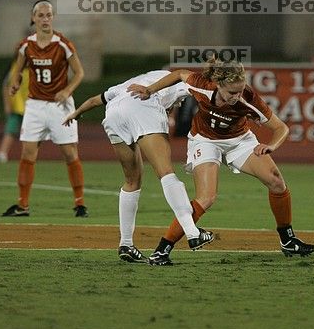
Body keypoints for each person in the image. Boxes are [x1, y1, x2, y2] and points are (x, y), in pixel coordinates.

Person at [128, 58, 314, 265]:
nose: (237, 96)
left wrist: (271, 145)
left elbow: (281, 128)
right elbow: (179, 73)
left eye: (240, 90)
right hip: (205, 140)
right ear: (218, 85)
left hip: (239, 141)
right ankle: (162, 250)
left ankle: (288, 240)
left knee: (276, 182)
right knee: (207, 197)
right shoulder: (202, 85)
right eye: (232, 92)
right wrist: (150, 89)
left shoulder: (248, 98)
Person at [63, 70, 215, 262]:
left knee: (132, 180)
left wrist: (75, 113)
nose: (175, 106)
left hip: (114, 113)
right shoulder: (178, 81)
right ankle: (192, 233)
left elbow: (94, 101)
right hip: (143, 105)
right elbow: (207, 93)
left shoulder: (125, 84)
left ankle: (126, 244)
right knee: (166, 173)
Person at [2, 0, 88, 218]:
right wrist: (15, 83)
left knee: (70, 153)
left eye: (48, 15)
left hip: (60, 106)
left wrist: (67, 90)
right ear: (33, 19)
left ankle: (80, 204)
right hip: (35, 106)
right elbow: (18, 70)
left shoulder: (63, 44)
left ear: (53, 17)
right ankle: (22, 205)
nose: (45, 19)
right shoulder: (25, 45)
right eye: (40, 15)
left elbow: (79, 73)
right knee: (28, 153)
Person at [0, 58, 29, 163]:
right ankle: (2, 153)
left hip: (32, 104)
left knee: (30, 132)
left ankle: (28, 156)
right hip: (17, 104)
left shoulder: (36, 66)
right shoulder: (14, 66)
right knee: (10, 129)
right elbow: (5, 85)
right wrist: (7, 104)